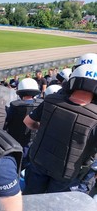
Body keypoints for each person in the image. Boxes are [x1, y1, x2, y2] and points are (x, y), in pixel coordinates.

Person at [23, 64, 97, 195]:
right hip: (66, 174)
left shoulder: (51, 100)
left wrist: (44, 129)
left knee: (30, 200)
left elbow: (28, 122)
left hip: (38, 162)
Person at [3, 78, 42, 169]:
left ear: (20, 92)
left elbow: (6, 122)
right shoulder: (41, 105)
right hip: (36, 142)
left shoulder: (14, 106)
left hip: (17, 142)